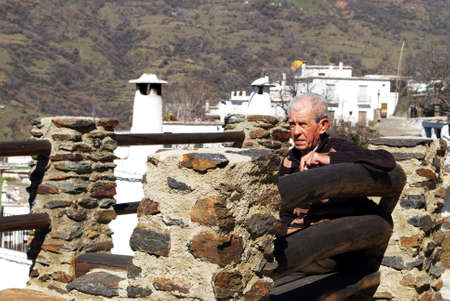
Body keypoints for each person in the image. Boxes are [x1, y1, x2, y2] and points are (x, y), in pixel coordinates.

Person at [274, 93, 396, 278]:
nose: (296, 132)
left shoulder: (337, 148)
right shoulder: (290, 159)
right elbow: (285, 213)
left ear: (322, 126)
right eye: (292, 124)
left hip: (332, 248)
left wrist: (329, 159)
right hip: (297, 241)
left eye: (303, 124)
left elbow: (386, 160)